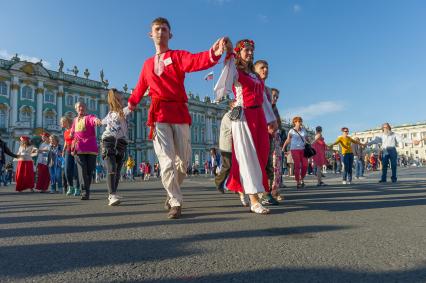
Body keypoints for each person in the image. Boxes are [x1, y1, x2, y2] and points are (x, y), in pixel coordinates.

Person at [127, 17, 229, 219]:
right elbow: (140, 88)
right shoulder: (147, 65)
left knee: (183, 163)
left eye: (164, 29)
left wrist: (213, 54)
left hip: (180, 113)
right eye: (157, 29)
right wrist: (128, 106)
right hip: (158, 115)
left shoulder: (177, 56)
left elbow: (195, 61)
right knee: (166, 162)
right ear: (151, 34)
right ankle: (175, 201)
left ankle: (171, 191)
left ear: (170, 34)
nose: (160, 32)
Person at [214, 39, 277, 214]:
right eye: (246, 50)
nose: (249, 53)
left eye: (251, 50)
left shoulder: (255, 75)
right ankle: (254, 200)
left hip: (259, 116)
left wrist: (270, 119)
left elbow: (263, 98)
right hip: (243, 117)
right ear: (239, 52)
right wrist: (227, 52)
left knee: (262, 155)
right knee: (248, 157)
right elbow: (224, 76)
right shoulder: (236, 71)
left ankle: (243, 187)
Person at [254, 60, 280, 206]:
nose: (265, 70)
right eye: (262, 68)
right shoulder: (254, 85)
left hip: (269, 130)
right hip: (257, 128)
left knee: (267, 163)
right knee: (258, 161)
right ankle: (259, 192)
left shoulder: (268, 90)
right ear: (255, 70)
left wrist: (274, 123)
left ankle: (266, 192)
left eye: (267, 68)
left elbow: (270, 109)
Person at [100, 88, 131, 206]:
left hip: (121, 142)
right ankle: (111, 195)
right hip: (109, 141)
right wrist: (94, 120)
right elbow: (101, 122)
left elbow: (132, 105)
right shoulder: (111, 114)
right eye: (121, 99)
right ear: (116, 100)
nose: (123, 101)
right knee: (112, 167)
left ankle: (113, 193)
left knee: (118, 169)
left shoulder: (123, 111)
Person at [70, 101, 101, 200]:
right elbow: (72, 132)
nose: (81, 108)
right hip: (79, 148)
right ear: (76, 109)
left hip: (91, 148)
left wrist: (96, 120)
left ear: (86, 108)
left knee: (89, 171)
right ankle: (85, 192)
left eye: (83, 107)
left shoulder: (89, 117)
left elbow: (93, 119)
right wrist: (71, 141)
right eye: (79, 107)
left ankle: (86, 189)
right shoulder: (75, 120)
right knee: (82, 170)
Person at [282, 117, 310, 188]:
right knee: (297, 166)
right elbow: (288, 140)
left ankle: (302, 178)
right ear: (294, 122)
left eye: (300, 121)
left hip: (303, 149)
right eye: (298, 121)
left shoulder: (304, 130)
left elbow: (307, 139)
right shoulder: (291, 131)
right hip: (294, 149)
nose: (300, 122)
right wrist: (283, 148)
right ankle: (298, 182)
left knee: (305, 165)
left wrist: (310, 144)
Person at [61, 116, 81, 196]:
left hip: (76, 151)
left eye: (62, 122)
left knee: (76, 170)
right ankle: (71, 187)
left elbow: (77, 139)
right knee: (67, 170)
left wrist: (75, 148)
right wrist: (63, 150)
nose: (61, 124)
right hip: (68, 151)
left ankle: (77, 188)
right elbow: (66, 141)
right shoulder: (65, 132)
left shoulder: (74, 130)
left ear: (67, 122)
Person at [215, 109, 232, 194]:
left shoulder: (232, 115)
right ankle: (218, 182)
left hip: (231, 145)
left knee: (233, 167)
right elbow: (234, 128)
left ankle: (234, 186)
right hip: (226, 146)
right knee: (227, 166)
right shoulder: (228, 116)